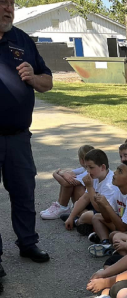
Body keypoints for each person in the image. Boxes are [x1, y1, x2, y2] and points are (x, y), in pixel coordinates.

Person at [0, 0, 53, 272]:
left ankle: (28, 242)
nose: (8, 8)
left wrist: (33, 77)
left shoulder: (23, 40)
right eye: (2, 3)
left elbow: (48, 82)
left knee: (24, 192)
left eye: (11, 3)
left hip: (19, 137)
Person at [87, 161, 127, 257]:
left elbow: (122, 227)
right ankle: (105, 243)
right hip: (122, 226)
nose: (115, 172)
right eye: (116, 169)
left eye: (120, 171)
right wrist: (101, 205)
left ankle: (119, 254)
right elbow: (107, 218)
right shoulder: (118, 191)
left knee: (114, 235)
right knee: (97, 217)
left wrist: (106, 205)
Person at [63, 149, 116, 234]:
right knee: (77, 204)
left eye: (91, 167)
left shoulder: (110, 183)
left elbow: (99, 209)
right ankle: (79, 220)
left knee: (87, 215)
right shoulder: (96, 176)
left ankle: (78, 222)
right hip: (96, 208)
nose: (88, 170)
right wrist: (70, 216)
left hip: (107, 214)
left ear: (103, 167)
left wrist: (89, 187)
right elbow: (84, 198)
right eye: (86, 167)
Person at [40, 144, 94, 220]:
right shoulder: (84, 169)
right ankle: (61, 205)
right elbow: (69, 173)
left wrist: (55, 174)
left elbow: (67, 183)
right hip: (90, 200)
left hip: (91, 202)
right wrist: (63, 174)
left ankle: (63, 207)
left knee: (72, 183)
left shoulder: (88, 172)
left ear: (81, 160)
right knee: (69, 179)